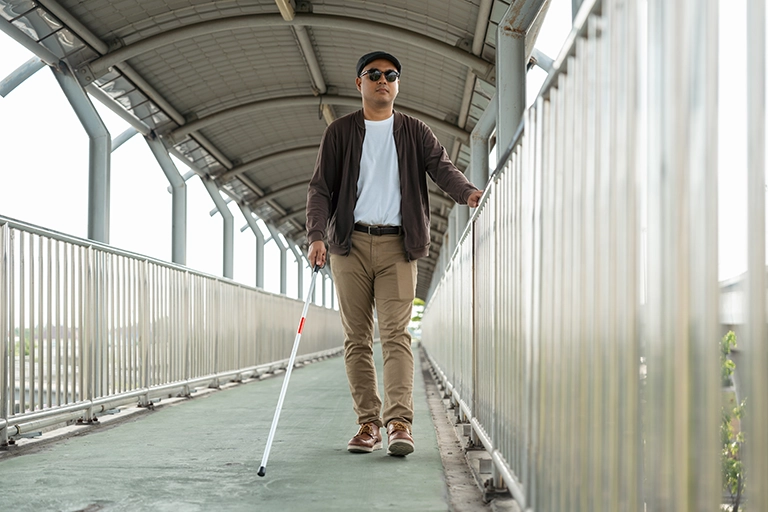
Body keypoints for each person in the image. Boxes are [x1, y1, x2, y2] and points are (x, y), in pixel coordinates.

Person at [306, 51, 483, 457]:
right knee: (357, 339)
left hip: (399, 247)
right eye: (373, 74)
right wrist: (316, 235)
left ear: (398, 84)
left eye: (390, 75)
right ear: (359, 83)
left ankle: (399, 422)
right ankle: (368, 424)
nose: (382, 80)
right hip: (348, 247)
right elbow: (320, 189)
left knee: (396, 335)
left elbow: (442, 167)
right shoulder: (341, 132)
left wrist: (468, 193)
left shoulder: (415, 131)